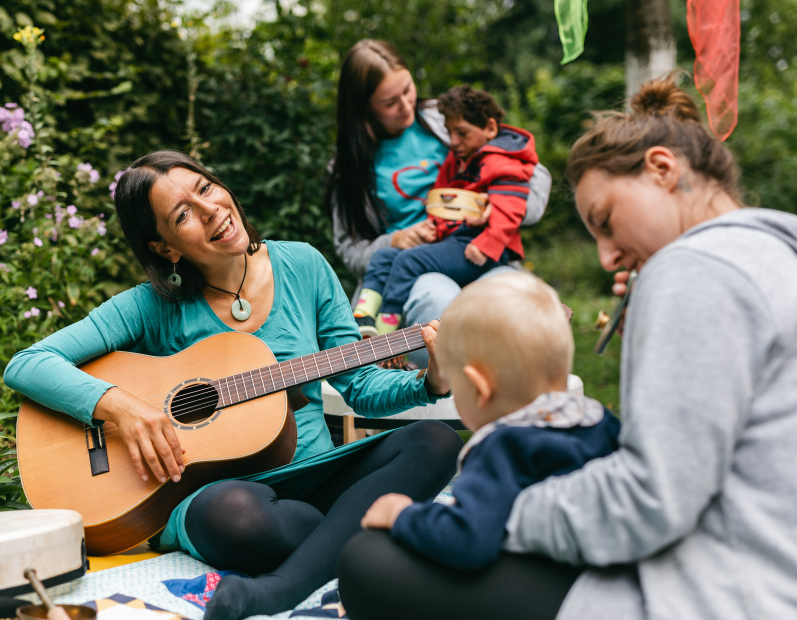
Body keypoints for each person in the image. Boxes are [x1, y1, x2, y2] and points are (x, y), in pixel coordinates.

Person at [337, 73, 797, 620]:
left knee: (369, 559)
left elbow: (650, 500)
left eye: (605, 222)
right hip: (765, 553)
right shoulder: (772, 248)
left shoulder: (692, 271)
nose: (606, 257)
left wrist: (498, 516)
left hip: (718, 587)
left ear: (662, 168)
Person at [3, 150, 463, 620]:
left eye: (205, 189)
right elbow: (28, 363)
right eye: (183, 215)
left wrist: (431, 380)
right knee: (234, 517)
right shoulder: (148, 306)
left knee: (435, 442)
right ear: (164, 247)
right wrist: (119, 406)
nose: (211, 211)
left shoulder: (302, 265)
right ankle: (353, 534)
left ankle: (281, 586)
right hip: (225, 495)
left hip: (319, 475)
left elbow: (360, 384)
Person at [339, 272, 619, 618]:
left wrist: (402, 515)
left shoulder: (503, 447)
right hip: (602, 576)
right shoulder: (600, 421)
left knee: (362, 557)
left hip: (551, 592)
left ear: (479, 388)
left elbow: (465, 540)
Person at [326, 40, 551, 365]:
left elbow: (532, 172)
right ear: (365, 108)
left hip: (478, 250)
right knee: (438, 300)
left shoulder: (446, 118)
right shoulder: (347, 168)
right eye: (390, 102)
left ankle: (516, 402)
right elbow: (349, 249)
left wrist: (499, 208)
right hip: (411, 269)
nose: (406, 105)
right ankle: (452, 400)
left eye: (408, 90)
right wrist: (395, 240)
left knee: (518, 296)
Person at [352, 86, 539, 337]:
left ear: (490, 128)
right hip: (455, 240)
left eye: (462, 133)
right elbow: (442, 199)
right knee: (385, 256)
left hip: (482, 249)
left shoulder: (503, 162)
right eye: (450, 132)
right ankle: (363, 317)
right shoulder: (458, 158)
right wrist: (436, 228)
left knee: (410, 261)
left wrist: (488, 243)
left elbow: (510, 209)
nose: (454, 141)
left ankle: (387, 333)